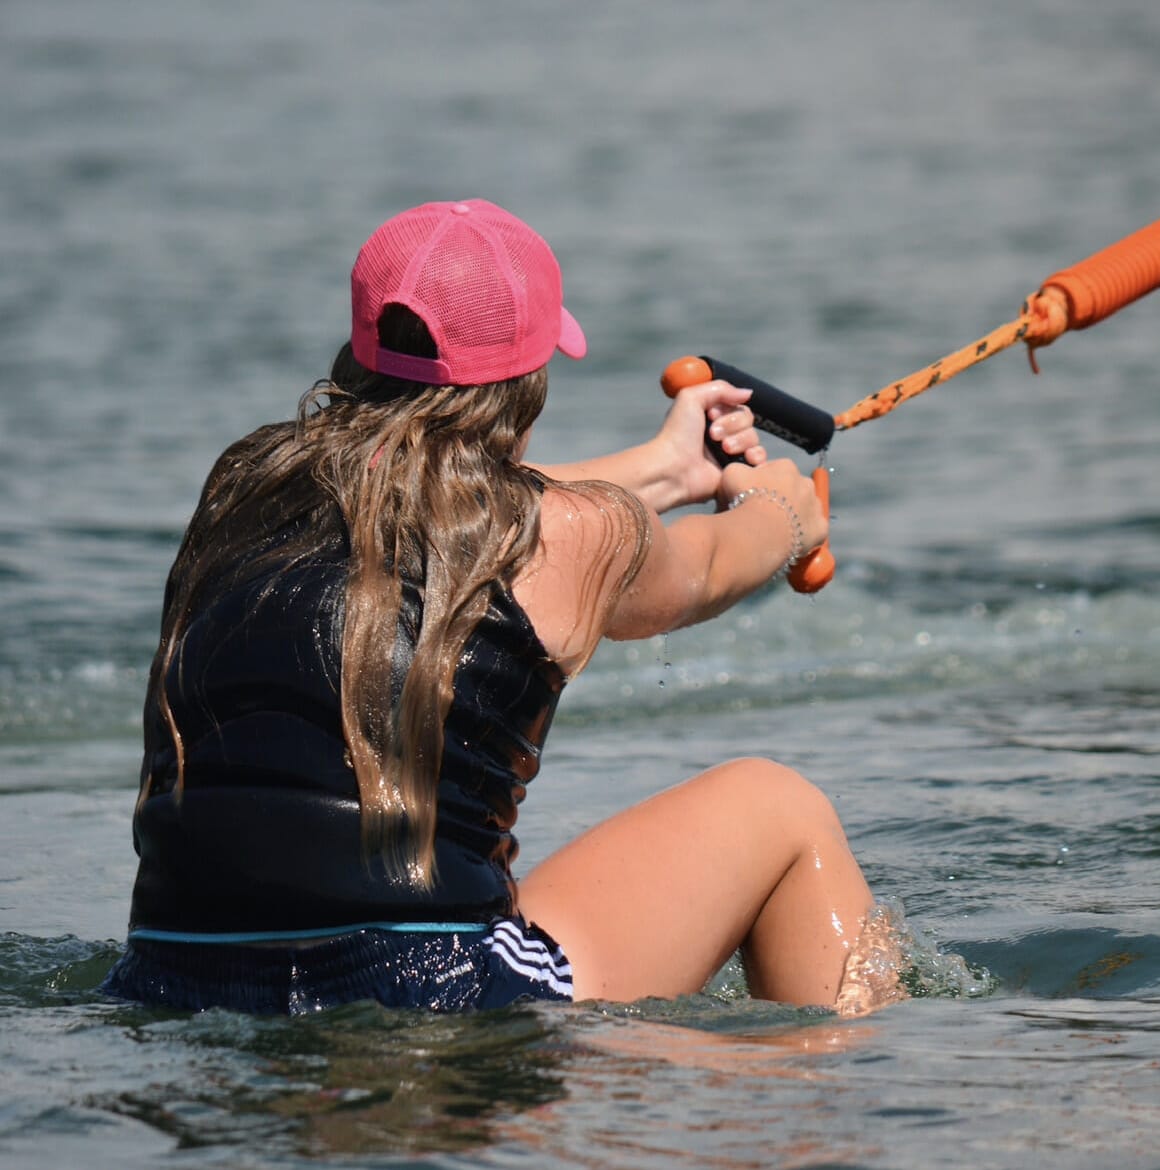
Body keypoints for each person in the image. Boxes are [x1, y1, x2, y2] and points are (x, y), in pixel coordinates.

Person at [103, 198, 885, 1016]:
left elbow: (452, 506)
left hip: (174, 980)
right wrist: (784, 511)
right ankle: (878, 1088)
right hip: (429, 993)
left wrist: (665, 467)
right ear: (531, 383)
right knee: (778, 806)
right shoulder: (568, 536)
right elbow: (709, 567)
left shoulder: (242, 491)